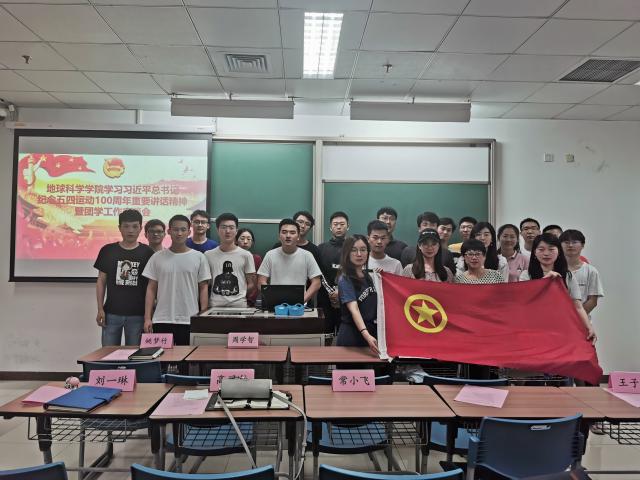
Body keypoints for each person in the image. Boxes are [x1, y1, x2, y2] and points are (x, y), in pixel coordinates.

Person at [142, 214, 211, 345]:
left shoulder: (199, 257)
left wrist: (203, 318)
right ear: (169, 231)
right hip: (161, 319)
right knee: (161, 356)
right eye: (175, 229)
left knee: (186, 357)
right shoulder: (157, 257)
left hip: (189, 319)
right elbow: (151, 289)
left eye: (183, 230)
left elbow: (203, 288)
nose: (179, 233)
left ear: (189, 232)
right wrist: (147, 318)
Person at [519, 233, 596, 343]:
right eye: (541, 249)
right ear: (534, 252)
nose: (546, 253)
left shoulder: (568, 276)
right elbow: (525, 301)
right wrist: (545, 279)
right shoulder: (526, 275)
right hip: (534, 327)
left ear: (559, 252)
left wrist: (589, 327)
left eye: (551, 249)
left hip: (561, 327)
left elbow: (578, 307)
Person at [94, 209, 154, 346]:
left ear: (140, 228)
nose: (130, 230)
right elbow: (101, 281)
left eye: (134, 226)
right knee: (108, 353)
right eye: (126, 226)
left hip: (138, 315)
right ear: (119, 228)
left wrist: (148, 316)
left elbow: (152, 286)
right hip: (111, 313)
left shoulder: (147, 252)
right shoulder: (108, 250)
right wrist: (100, 309)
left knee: (134, 354)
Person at [257, 219, 322, 305]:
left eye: (292, 232)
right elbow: (261, 282)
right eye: (284, 232)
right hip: (275, 305)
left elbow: (317, 282)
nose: (288, 236)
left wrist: (301, 301)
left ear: (298, 237)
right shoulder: (270, 255)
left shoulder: (307, 255)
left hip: (299, 306)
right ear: (279, 236)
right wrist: (271, 298)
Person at [335, 234, 379, 354]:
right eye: (354, 250)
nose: (359, 254)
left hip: (369, 332)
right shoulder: (345, 279)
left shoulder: (367, 276)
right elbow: (354, 309)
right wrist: (366, 335)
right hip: (352, 334)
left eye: (363, 250)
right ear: (347, 253)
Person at [205, 213, 256, 308]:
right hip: (215, 306)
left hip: (239, 306)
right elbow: (207, 284)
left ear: (236, 231)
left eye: (231, 227)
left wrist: (239, 295)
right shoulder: (208, 255)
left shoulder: (246, 255)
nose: (227, 231)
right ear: (217, 230)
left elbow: (252, 284)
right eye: (223, 227)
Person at [317, 211, 350, 331]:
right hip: (325, 300)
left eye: (342, 224)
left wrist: (340, 292)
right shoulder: (321, 248)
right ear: (330, 227)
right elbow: (319, 274)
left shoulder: (354, 248)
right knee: (326, 335)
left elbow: (354, 273)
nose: (339, 227)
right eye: (335, 224)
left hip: (347, 299)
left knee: (345, 335)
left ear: (348, 226)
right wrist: (332, 292)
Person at [560, 229, 604, 318]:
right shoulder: (554, 270)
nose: (570, 245)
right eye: (566, 242)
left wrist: (575, 317)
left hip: (581, 321)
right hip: (556, 319)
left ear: (583, 245)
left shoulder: (591, 271)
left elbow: (592, 301)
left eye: (574, 242)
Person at [236, 227, 261, 306]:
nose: (245, 242)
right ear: (236, 240)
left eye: (249, 239)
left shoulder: (256, 259)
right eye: (242, 238)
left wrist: (250, 300)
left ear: (252, 242)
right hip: (233, 298)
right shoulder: (231, 258)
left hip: (250, 301)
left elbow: (256, 282)